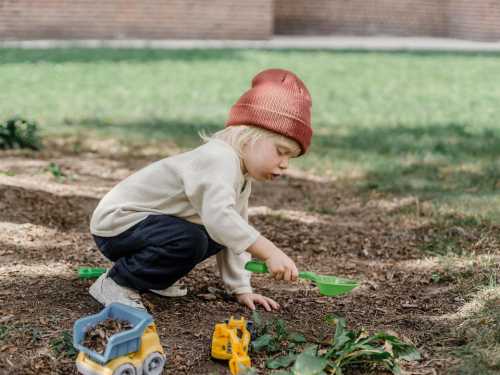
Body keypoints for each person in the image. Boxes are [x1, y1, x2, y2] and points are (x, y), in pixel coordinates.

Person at [88, 68, 313, 311]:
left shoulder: (240, 174)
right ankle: (116, 284)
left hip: (146, 226)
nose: (285, 164)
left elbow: (234, 232)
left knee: (218, 234)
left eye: (291, 157)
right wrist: (269, 252)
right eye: (281, 151)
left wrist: (241, 289)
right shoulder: (219, 159)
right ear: (248, 137)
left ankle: (153, 278)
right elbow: (221, 219)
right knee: (193, 238)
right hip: (118, 224)